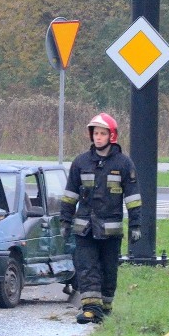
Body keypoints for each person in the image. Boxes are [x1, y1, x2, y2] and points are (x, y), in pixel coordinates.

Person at [60, 112, 141, 324]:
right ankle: (90, 308)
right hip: (84, 228)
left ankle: (105, 308)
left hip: (110, 231)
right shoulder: (81, 163)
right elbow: (70, 195)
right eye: (95, 133)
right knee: (87, 267)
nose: (98, 137)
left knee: (108, 270)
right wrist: (65, 221)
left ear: (111, 136)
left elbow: (133, 198)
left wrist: (136, 225)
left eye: (102, 133)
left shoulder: (124, 164)